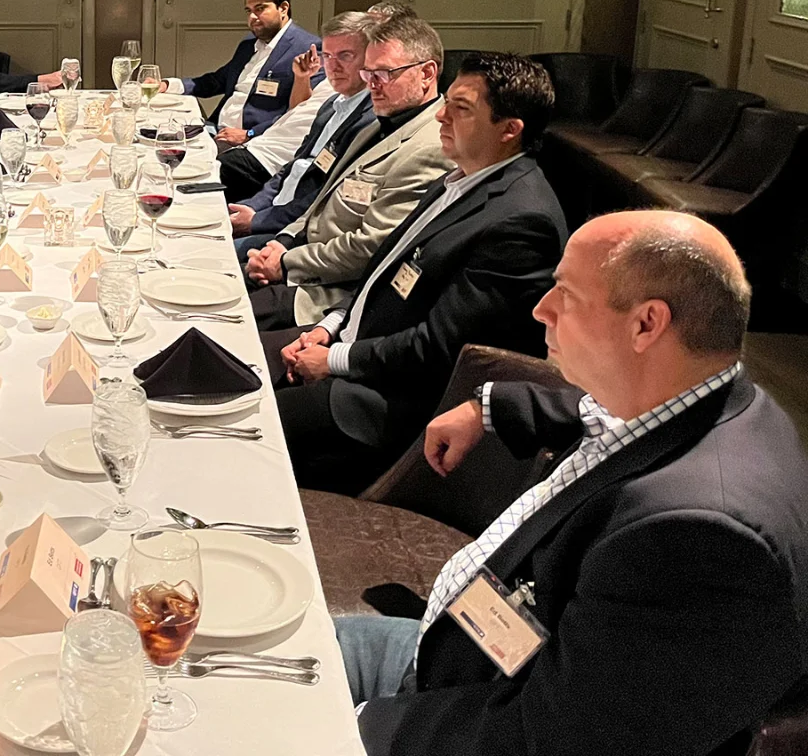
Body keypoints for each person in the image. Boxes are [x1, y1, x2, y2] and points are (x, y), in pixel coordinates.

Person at [342, 210, 808, 756]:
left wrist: (356, 723)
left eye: (564, 292)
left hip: (478, 712)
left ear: (646, 324)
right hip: (457, 657)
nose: (541, 309)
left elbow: (549, 740)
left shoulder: (700, 543)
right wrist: (488, 407)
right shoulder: (699, 394)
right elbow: (589, 406)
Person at [266, 53, 567, 493]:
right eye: (445, 101)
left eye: (461, 109)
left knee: (245, 425)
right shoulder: (459, 178)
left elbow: (438, 348)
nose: (441, 115)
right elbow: (382, 275)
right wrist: (330, 329)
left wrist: (331, 361)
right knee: (237, 363)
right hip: (360, 348)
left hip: (393, 405)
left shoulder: (521, 221)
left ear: (509, 129)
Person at [245, 13, 455, 329]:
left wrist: (286, 262)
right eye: (369, 73)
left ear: (427, 73)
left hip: (325, 294)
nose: (371, 85)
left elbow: (370, 248)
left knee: (217, 321)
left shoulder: (431, 147)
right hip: (300, 258)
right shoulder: (376, 126)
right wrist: (284, 241)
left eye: (384, 73)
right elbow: (321, 201)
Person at [221, 10, 376, 213]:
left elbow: (320, 193)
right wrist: (253, 208)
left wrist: (259, 221)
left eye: (345, 56)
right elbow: (294, 166)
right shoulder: (333, 101)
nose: (333, 66)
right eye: (327, 56)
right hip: (264, 165)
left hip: (274, 184)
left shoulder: (369, 115)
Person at [161, 0, 321, 143]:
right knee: (156, 133)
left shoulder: (307, 49)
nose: (252, 17)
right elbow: (217, 81)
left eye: (260, 8)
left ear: (283, 8)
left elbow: (301, 114)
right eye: (248, 11)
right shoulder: (249, 43)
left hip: (252, 143)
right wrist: (168, 85)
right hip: (214, 129)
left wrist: (249, 134)